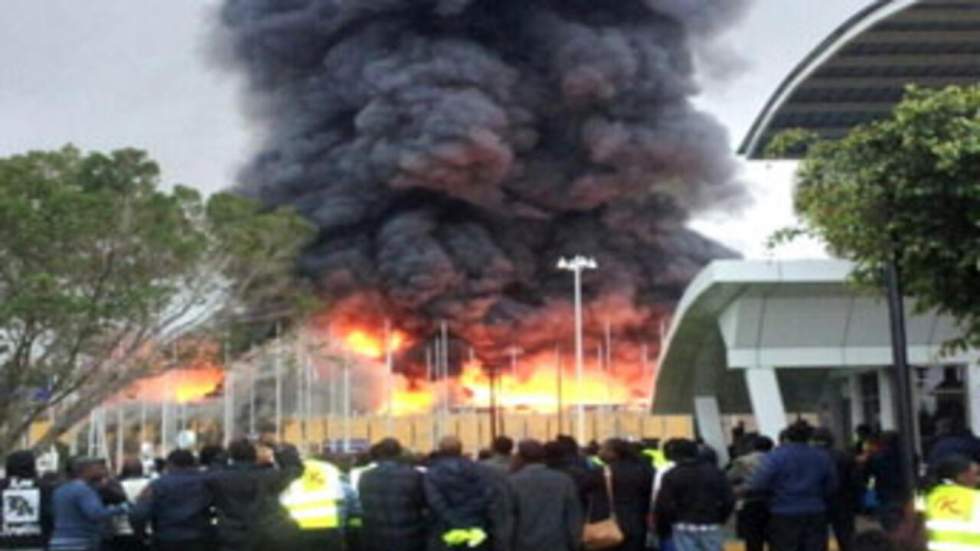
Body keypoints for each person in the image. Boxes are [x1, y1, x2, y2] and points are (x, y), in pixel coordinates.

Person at [748, 423, 837, 551]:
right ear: (809, 437)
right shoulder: (822, 456)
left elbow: (759, 483)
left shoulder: (776, 456)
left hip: (783, 512)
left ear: (787, 437)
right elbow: (832, 485)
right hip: (815, 511)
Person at [206, 438, 303, 551]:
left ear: (232, 456)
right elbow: (294, 469)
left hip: (232, 536)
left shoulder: (220, 478)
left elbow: (212, 469)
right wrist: (276, 449)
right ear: (254, 456)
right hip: (264, 536)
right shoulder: (268, 477)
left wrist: (225, 453)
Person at [655, 439, 734, 551]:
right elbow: (729, 500)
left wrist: (672, 520)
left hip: (683, 524)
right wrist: (720, 518)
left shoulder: (671, 475)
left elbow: (664, 504)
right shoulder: (715, 472)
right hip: (710, 522)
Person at [508, 439, 583, 551]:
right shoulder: (564, 481)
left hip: (522, 544)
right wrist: (575, 543)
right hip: (557, 544)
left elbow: (507, 519)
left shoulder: (511, 482)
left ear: (520, 457)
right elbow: (573, 517)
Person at [131, 449, 213, 551]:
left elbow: (138, 513)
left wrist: (141, 535)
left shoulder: (157, 485)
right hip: (199, 539)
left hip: (167, 540)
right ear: (194, 463)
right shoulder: (207, 483)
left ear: (169, 464)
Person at [357, 438, 429, 551]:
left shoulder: (366, 476)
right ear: (400, 453)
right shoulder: (414, 475)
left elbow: (363, 502)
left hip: (375, 536)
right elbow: (423, 503)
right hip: (409, 535)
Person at [424, 436, 493, 551]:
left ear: (440, 450)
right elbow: (487, 494)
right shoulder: (478, 469)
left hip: (445, 528)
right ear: (461, 449)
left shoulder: (433, 473)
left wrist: (454, 520)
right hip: (475, 525)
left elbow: (435, 502)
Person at [49, 457, 128, 551]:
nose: (101, 472)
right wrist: (122, 508)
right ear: (86, 471)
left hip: (58, 542)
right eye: (97, 468)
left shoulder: (60, 490)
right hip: (80, 542)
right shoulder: (83, 490)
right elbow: (96, 514)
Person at [593, 438, 654, 551]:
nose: (599, 452)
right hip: (637, 522)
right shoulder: (644, 470)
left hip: (608, 525)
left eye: (603, 449)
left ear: (614, 452)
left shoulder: (601, 472)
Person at [812, 428, 863, 551]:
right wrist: (857, 503)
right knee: (846, 537)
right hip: (843, 502)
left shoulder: (809, 458)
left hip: (817, 502)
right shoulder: (845, 456)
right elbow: (856, 481)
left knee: (818, 538)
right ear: (832, 441)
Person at [922, 454, 980, 551]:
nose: (979, 479)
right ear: (961, 477)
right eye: (977, 474)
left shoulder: (927, 496)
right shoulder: (976, 498)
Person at [0, 450, 53, 551]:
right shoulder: (44, 486)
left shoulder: (1, 486)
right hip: (35, 541)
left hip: (5, 542)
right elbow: (49, 513)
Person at [727, 435, 773, 551]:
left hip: (750, 502)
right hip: (774, 502)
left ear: (753, 446)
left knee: (753, 539)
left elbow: (729, 478)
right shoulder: (777, 459)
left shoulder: (743, 461)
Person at [867, 431, 908, 532]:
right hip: (900, 493)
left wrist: (869, 499)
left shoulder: (877, 458)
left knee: (888, 522)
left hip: (884, 494)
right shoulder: (905, 456)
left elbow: (871, 480)